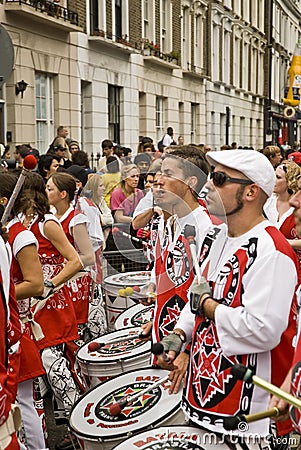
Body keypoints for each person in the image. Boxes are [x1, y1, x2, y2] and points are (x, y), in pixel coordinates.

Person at [158, 150, 299, 448]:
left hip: (251, 414)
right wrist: (180, 334)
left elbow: (263, 330)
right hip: (204, 397)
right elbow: (198, 294)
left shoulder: (272, 250)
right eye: (210, 177)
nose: (208, 186)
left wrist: (208, 307)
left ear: (251, 192)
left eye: (220, 179)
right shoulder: (217, 236)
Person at [12, 172, 83, 447]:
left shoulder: (46, 223)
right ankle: (42, 432)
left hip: (51, 305)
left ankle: (81, 427)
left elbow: (75, 260)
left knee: (54, 368)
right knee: (38, 375)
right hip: (32, 306)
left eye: (52, 187)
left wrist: (50, 284)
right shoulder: (20, 224)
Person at [145, 148, 212, 347]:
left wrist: (185, 348)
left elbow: (203, 293)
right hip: (163, 333)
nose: (159, 180)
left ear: (190, 182)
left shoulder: (205, 226)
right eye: (160, 172)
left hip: (186, 344)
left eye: (168, 174)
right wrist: (156, 316)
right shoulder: (169, 221)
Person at [264, 160, 301, 268]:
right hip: (269, 263)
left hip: (295, 265)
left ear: (290, 181)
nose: (273, 180)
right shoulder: (266, 203)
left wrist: (287, 243)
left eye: (278, 177)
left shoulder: (297, 206)